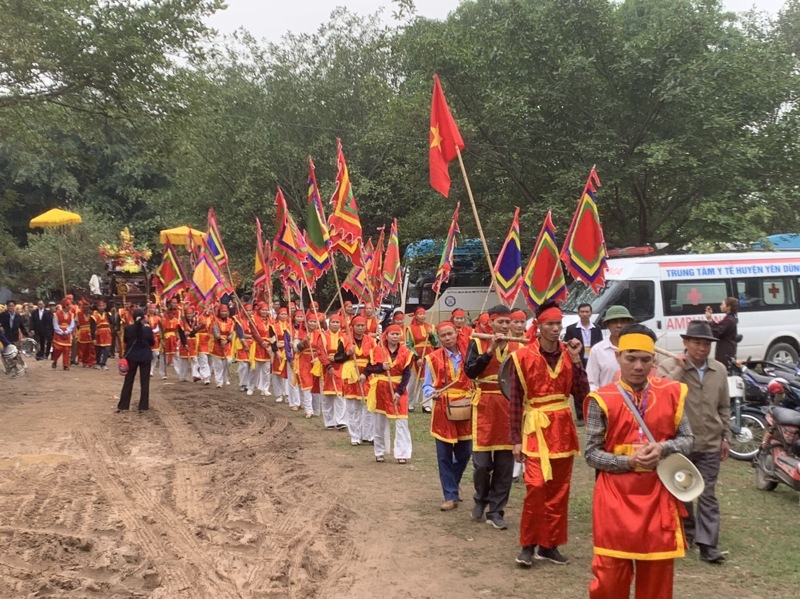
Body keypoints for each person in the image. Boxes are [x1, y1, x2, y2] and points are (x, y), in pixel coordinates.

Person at [584, 324, 694, 598]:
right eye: (631, 358)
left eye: (645, 359)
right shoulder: (603, 399)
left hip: (659, 495)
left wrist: (663, 448)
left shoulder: (672, 393)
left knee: (657, 575)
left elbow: (688, 439)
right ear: (618, 357)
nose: (638, 366)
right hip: (615, 497)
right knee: (609, 576)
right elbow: (591, 453)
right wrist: (628, 462)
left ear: (654, 361)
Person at [508, 303, 586, 566]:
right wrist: (515, 439)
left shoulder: (569, 354)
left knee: (559, 489)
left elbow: (582, 393)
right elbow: (516, 400)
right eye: (550, 324)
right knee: (536, 487)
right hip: (535, 429)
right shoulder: (522, 357)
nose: (555, 329)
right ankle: (528, 544)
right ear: (539, 326)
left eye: (558, 324)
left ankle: (549, 544)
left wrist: (577, 361)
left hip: (562, 429)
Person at [657, 320, 730, 564]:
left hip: (710, 442)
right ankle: (686, 534)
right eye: (697, 342)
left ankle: (708, 545)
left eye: (706, 343)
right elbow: (661, 392)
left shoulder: (718, 370)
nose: (702, 348)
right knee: (682, 490)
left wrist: (725, 436)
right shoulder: (670, 365)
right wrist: (680, 368)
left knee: (708, 493)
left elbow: (724, 406)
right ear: (686, 343)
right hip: (681, 443)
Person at [464, 304, 522, 530]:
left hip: (510, 407)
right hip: (485, 406)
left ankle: (496, 509)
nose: (505, 326)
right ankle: (481, 497)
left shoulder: (519, 346)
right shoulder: (478, 342)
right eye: (501, 322)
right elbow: (470, 371)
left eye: (508, 322)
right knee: (481, 464)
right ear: (491, 323)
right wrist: (489, 352)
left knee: (505, 465)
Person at [423, 321, 473, 510]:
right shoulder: (433, 358)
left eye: (450, 334)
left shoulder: (469, 355)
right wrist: (431, 393)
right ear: (439, 338)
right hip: (442, 409)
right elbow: (427, 385)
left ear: (456, 333)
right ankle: (450, 495)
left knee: (464, 453)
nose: (447, 338)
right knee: (443, 455)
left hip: (464, 408)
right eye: (443, 335)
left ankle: (452, 482)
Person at [365, 324, 414, 463]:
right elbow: (369, 368)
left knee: (401, 421)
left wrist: (399, 392)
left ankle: (402, 453)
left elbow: (407, 375)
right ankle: (379, 451)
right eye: (392, 334)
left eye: (397, 334)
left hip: (399, 389)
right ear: (386, 335)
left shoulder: (406, 352)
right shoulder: (377, 350)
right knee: (379, 422)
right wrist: (381, 367)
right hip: (381, 389)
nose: (395, 336)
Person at [563, 303, 602, 425]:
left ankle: (594, 414)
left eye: (587, 312)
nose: (584, 314)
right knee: (579, 388)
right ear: (578, 313)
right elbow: (566, 345)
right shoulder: (571, 328)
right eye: (582, 312)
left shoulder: (597, 328)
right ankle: (580, 416)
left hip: (592, 359)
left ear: (591, 313)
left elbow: (600, 344)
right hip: (578, 360)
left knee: (593, 387)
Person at [343, 315, 376, 445]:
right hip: (351, 374)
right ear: (353, 326)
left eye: (363, 325)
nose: (361, 328)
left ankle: (368, 435)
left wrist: (367, 372)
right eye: (358, 325)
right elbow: (338, 357)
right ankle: (355, 436)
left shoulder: (372, 341)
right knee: (353, 407)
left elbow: (375, 358)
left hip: (367, 374)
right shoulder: (345, 339)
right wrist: (347, 353)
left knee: (369, 406)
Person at [586, 306, 636, 392]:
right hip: (607, 400)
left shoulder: (638, 347)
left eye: (623, 322)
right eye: (614, 322)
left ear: (629, 324)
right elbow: (591, 381)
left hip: (634, 401)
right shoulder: (598, 350)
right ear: (607, 325)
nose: (619, 325)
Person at [117, 308, 156, 412]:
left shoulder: (128, 328)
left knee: (128, 381)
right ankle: (143, 406)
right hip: (145, 357)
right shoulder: (147, 329)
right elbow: (152, 343)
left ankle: (123, 405)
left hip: (132, 357)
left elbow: (125, 340)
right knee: (145, 382)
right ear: (143, 318)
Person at [315, 313, 350, 430]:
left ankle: (341, 421)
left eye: (337, 322)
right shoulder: (323, 336)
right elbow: (320, 352)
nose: (335, 324)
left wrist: (336, 359)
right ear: (329, 323)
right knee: (327, 396)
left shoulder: (345, 337)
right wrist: (328, 365)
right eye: (333, 322)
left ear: (340, 324)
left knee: (340, 394)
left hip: (340, 367)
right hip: (326, 369)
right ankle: (329, 421)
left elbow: (348, 353)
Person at [406, 307, 438, 413]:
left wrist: (431, 335)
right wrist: (417, 357)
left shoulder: (431, 327)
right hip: (417, 355)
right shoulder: (410, 328)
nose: (423, 316)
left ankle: (427, 404)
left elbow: (435, 343)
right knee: (413, 381)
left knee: (428, 379)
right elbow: (409, 345)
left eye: (424, 314)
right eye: (420, 314)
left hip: (429, 355)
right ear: (415, 316)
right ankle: (409, 403)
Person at [705, 297, 738, 367]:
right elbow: (718, 328)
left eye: (722, 304)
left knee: (722, 369)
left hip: (725, 350)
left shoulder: (729, 320)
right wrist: (710, 319)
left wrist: (710, 320)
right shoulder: (730, 318)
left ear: (728, 307)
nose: (720, 306)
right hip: (727, 348)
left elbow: (718, 332)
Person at [210, 303, 235, 387]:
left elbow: (232, 332)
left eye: (225, 311)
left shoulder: (231, 321)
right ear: (219, 312)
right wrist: (220, 340)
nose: (224, 313)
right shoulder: (215, 320)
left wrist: (227, 340)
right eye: (222, 311)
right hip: (217, 344)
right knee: (218, 365)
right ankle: (219, 381)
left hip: (227, 344)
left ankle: (225, 378)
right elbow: (215, 332)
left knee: (227, 362)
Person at [51, 302, 76, 370]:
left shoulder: (71, 315)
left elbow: (72, 325)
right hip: (59, 333)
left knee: (67, 350)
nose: (70, 307)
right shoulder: (56, 314)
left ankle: (66, 365)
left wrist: (67, 332)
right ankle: (55, 360)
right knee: (58, 349)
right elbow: (55, 325)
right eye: (69, 305)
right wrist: (62, 333)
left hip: (67, 333)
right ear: (65, 306)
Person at [91, 300, 113, 369]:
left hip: (107, 333)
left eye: (103, 306)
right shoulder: (94, 316)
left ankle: (103, 363)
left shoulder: (107, 314)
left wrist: (109, 315)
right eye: (100, 306)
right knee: (98, 349)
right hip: (99, 333)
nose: (101, 307)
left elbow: (112, 322)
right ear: (97, 307)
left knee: (107, 348)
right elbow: (92, 328)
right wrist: (93, 338)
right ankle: (97, 363)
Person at [75, 300, 97, 368]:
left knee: (92, 348)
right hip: (82, 333)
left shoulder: (92, 314)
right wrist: (75, 332)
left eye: (87, 305)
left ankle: (92, 362)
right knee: (83, 349)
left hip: (90, 333)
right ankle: (84, 361)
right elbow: (76, 323)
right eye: (84, 306)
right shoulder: (78, 313)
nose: (86, 307)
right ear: (82, 307)